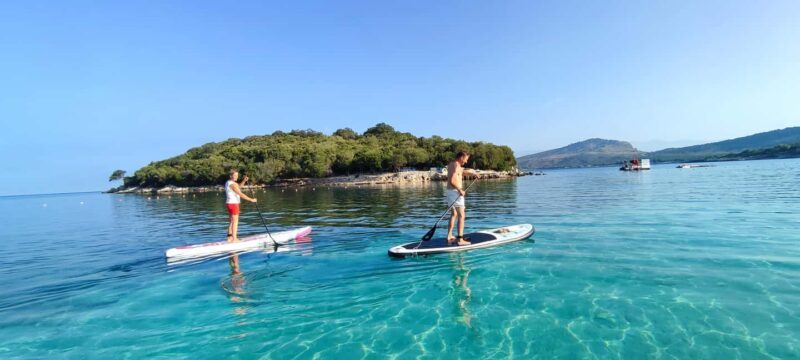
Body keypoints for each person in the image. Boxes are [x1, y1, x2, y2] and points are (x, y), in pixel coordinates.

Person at [446, 151, 480, 245]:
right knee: (461, 215)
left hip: (449, 192)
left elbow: (461, 173)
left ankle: (449, 235)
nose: (466, 161)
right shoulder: (457, 165)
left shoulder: (452, 164)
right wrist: (460, 189)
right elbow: (452, 180)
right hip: (455, 192)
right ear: (461, 157)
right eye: (466, 159)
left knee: (454, 214)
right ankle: (460, 240)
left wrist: (473, 174)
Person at [225, 169, 257, 242]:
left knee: (231, 221)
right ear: (230, 176)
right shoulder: (233, 184)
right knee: (235, 221)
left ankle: (229, 238)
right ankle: (234, 239)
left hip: (229, 203)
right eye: (235, 175)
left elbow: (238, 188)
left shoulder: (228, 182)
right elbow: (240, 194)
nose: (236, 177)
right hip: (234, 204)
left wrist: (244, 181)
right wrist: (251, 200)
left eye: (237, 175)